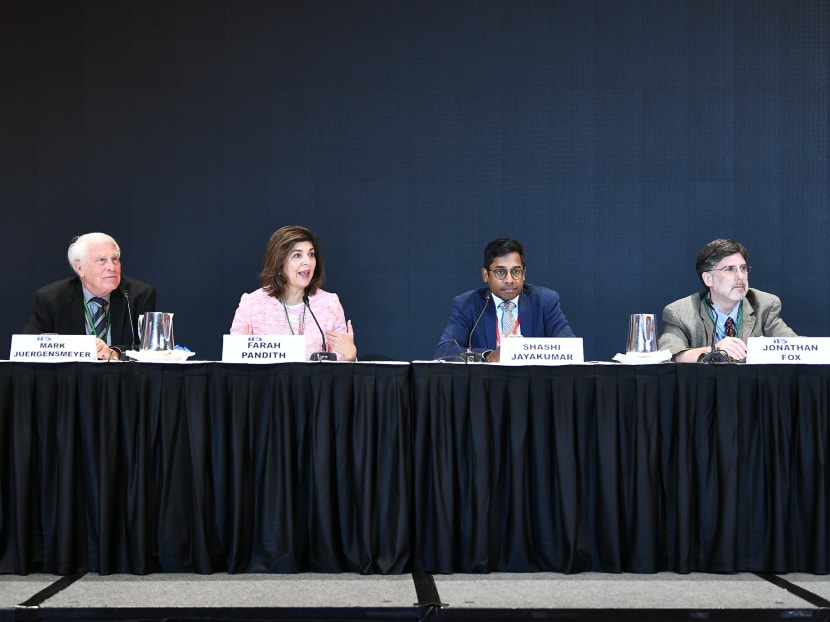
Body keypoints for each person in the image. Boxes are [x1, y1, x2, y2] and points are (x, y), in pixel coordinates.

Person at [433, 238, 575, 362]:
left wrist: (525, 352)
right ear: (485, 275)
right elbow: (444, 352)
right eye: (500, 272)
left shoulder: (545, 301)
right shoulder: (468, 304)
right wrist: (488, 356)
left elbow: (570, 348)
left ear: (523, 274)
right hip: (486, 386)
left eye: (516, 271)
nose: (509, 280)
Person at [229, 225, 357, 361]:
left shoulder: (329, 304)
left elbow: (340, 372)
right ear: (279, 262)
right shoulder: (252, 304)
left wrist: (349, 357)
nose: (308, 261)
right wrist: (239, 354)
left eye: (311, 254)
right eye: (297, 255)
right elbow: (233, 367)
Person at [23, 232, 157, 360]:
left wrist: (115, 352)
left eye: (115, 259)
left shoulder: (138, 295)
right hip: (71, 379)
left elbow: (151, 348)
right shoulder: (52, 299)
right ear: (80, 268)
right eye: (102, 260)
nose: (112, 267)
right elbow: (30, 345)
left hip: (122, 379)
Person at [658, 238, 796, 362]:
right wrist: (713, 350)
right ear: (708, 279)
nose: (740, 276)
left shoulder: (764, 306)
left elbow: (795, 348)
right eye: (730, 269)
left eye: (743, 268)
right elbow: (669, 355)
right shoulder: (680, 313)